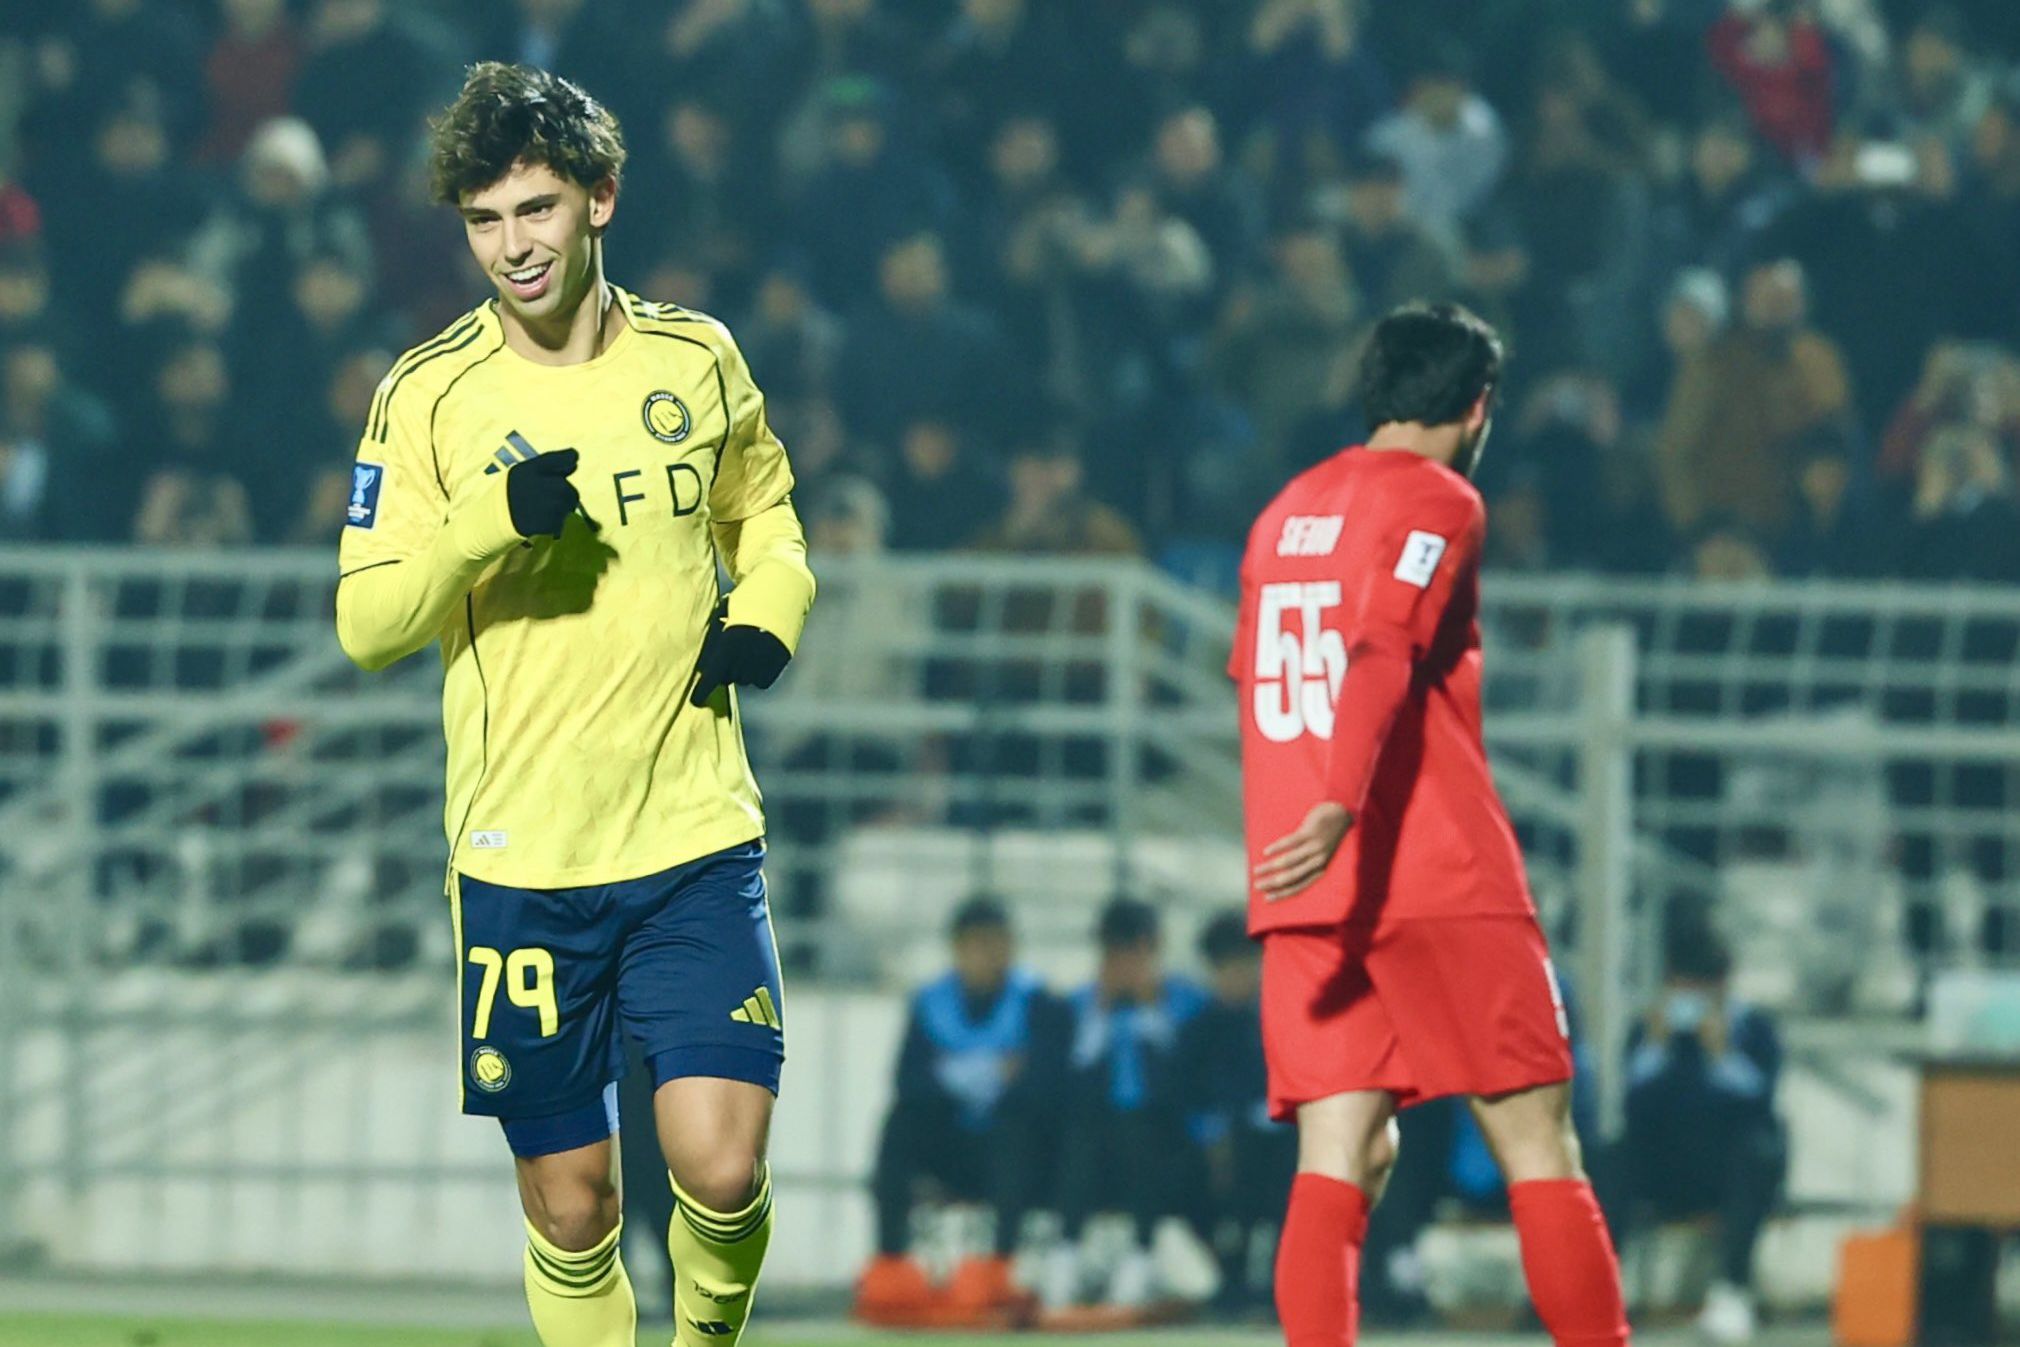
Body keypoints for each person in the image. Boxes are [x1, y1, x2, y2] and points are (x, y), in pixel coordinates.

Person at [334, 63, 816, 1347]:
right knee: (572, 1209)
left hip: (692, 837)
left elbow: (763, 512)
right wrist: (487, 525)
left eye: (536, 211)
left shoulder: (696, 357)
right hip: (520, 856)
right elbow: (368, 625)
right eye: (485, 222)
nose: (512, 247)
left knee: (719, 1168)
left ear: (601, 198)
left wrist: (774, 604)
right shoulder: (428, 396)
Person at [1229, 303, 1629, 1347]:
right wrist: (1341, 803)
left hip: (1301, 887)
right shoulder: (1439, 501)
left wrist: (1305, 819)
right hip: (1433, 874)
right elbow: (1381, 650)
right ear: (1478, 406)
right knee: (1538, 1143)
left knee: (1340, 1155)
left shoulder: (1283, 513)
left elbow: (1256, 683)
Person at [855, 896, 1067, 1326]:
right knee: (899, 1125)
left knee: (1017, 1128)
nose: (987, 956)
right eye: (976, 945)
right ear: (957, 949)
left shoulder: (1037, 1002)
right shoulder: (931, 1004)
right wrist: (985, 1072)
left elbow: (1046, 1084)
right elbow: (908, 1081)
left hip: (1013, 1151)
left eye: (996, 944)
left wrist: (958, 1073)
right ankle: (891, 1264)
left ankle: (998, 1267)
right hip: (949, 1144)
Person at [1618, 910, 1785, 1346]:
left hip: (1727, 1166)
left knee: (1759, 1149)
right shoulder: (1649, 1029)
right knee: (1609, 1153)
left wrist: (1720, 1054)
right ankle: (1600, 1283)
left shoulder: (1754, 1029)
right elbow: (1631, 1102)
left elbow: (1762, 1100)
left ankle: (1732, 1288)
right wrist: (1655, 1048)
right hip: (1668, 1163)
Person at [1045, 898, 1210, 1313]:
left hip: (1166, 1140)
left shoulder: (1186, 1003)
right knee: (1085, 1134)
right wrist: (1100, 1016)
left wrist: (1151, 1009)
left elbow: (1189, 1082)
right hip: (1094, 1141)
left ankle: (1141, 1256)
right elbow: (1064, 1086)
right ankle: (1065, 1254)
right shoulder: (1080, 1005)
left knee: (1138, 1130)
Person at [1178, 911, 1293, 1314]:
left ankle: (1281, 1279)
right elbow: (1187, 1097)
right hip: (1221, 1149)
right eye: (1225, 968)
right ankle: (1231, 1276)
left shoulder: (1283, 1018)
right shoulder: (1198, 1029)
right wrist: (1212, 1135)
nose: (1236, 977)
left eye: (1244, 965)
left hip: (1279, 1142)